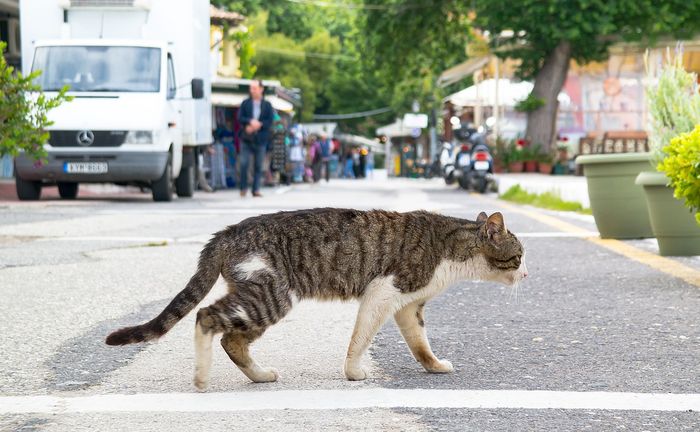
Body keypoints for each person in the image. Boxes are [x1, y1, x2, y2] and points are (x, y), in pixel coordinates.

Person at [237, 79, 274, 197]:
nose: (252, 90)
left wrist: (260, 124)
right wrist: (249, 122)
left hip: (261, 139)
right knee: (244, 164)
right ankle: (243, 188)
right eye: (251, 88)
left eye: (254, 88)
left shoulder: (267, 105)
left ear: (261, 89)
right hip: (247, 138)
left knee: (258, 165)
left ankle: (256, 189)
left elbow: (270, 121)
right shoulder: (246, 103)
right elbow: (240, 117)